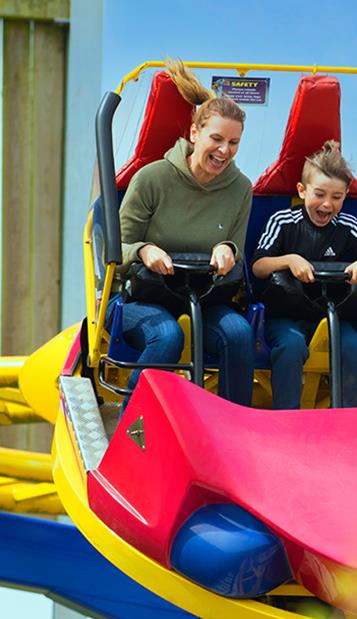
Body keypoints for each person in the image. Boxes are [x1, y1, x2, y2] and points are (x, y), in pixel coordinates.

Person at [117, 59, 255, 408]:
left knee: (238, 333)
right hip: (145, 294)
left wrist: (227, 249)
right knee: (167, 335)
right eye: (217, 139)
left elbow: (235, 246)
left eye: (234, 142)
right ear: (194, 134)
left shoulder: (240, 188)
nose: (225, 150)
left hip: (205, 294)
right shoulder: (153, 179)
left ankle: (235, 427)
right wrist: (145, 250)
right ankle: (132, 422)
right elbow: (118, 246)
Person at [251, 141, 357, 409]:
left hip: (336, 315)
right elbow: (258, 265)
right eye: (320, 194)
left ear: (345, 196)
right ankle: (286, 418)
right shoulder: (283, 221)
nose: (327, 204)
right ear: (302, 191)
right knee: (290, 347)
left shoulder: (348, 225)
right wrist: (288, 260)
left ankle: (350, 422)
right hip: (288, 316)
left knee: (354, 350)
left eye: (336, 197)